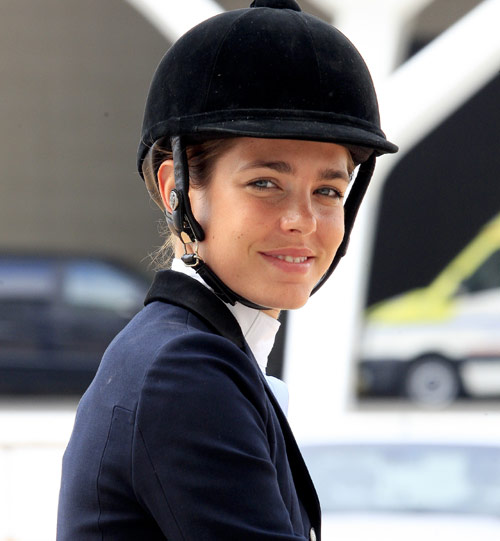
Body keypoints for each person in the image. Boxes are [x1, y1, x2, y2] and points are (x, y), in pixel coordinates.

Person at [57, 1, 397, 539]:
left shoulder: (186, 349)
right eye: (266, 182)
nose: (302, 222)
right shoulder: (187, 369)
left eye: (328, 190)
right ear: (179, 190)